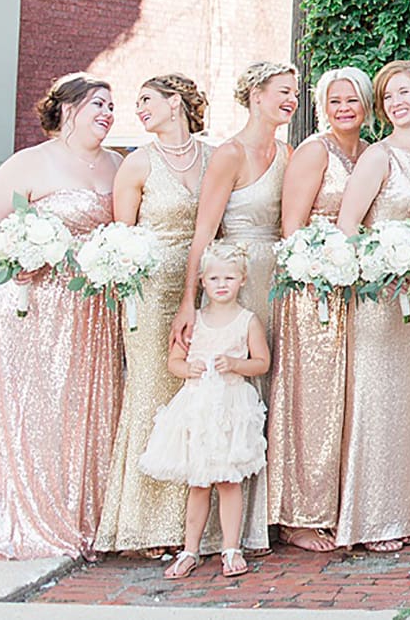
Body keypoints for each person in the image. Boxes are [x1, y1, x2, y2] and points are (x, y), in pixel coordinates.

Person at [0, 74, 123, 558]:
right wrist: (12, 255)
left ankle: (76, 508)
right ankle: (10, 511)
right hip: (21, 303)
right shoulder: (30, 162)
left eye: (111, 106)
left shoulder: (117, 165)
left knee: (74, 410)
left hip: (86, 308)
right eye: (97, 104)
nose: (108, 113)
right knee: (26, 410)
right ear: (66, 110)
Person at [177, 61, 296, 552]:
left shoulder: (288, 152)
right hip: (238, 280)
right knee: (233, 392)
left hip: (280, 278)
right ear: (255, 94)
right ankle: (226, 529)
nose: (291, 100)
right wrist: (190, 300)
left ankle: (267, 515)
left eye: (294, 93)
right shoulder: (229, 154)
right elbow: (204, 231)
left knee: (274, 387)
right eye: (283, 92)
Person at [96, 74, 211, 557]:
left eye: (147, 100)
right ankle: (143, 526)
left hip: (207, 289)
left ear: (176, 102)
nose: (138, 109)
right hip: (149, 294)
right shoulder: (136, 164)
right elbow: (123, 238)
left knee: (199, 397)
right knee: (152, 393)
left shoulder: (213, 156)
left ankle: (196, 524)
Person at [334, 61, 410, 552]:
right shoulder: (378, 157)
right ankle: (372, 518)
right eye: (387, 97)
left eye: (403, 92)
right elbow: (348, 227)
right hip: (378, 297)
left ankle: (405, 513)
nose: (396, 103)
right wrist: (378, 267)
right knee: (376, 401)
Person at [267, 66, 370, 552]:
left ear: (367, 105)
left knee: (350, 402)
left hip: (361, 292)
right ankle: (299, 514)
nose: (344, 109)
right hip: (313, 291)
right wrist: (321, 269)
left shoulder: (373, 154)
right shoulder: (313, 152)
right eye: (335, 101)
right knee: (312, 400)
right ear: (323, 106)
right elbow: (292, 229)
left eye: (353, 100)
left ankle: (345, 505)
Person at [142, 242, 270, 581]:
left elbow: (262, 362)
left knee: (229, 481)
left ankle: (231, 548)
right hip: (197, 409)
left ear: (242, 279)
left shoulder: (247, 321)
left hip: (230, 408)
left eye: (229, 277)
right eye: (214, 278)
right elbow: (173, 362)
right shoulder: (193, 321)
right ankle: (190, 550)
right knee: (198, 483)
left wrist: (236, 364)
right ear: (202, 281)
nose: (222, 284)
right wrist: (188, 369)